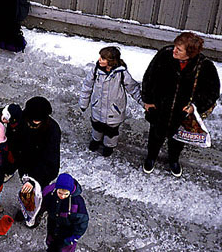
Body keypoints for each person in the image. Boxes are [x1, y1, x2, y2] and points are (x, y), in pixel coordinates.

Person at [141, 32, 220, 177]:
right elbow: (149, 77)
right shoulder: (164, 55)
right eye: (175, 46)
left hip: (182, 114)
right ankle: (151, 157)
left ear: (189, 54)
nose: (174, 50)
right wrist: (148, 100)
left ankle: (173, 160)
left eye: (179, 49)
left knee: (178, 139)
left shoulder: (204, 66)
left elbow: (212, 92)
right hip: (159, 109)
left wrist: (194, 107)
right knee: (155, 135)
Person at [78, 46, 144, 157]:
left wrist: (144, 103)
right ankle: (96, 140)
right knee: (96, 126)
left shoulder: (121, 74)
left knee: (111, 131)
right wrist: (84, 103)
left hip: (114, 111)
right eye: (100, 57)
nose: (99, 60)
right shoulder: (96, 70)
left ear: (111, 62)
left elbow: (133, 89)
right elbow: (87, 86)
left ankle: (109, 146)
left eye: (103, 58)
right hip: (97, 107)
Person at [9, 97, 61, 223]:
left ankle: (37, 211)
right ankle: (27, 208)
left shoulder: (52, 130)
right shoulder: (22, 120)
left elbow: (51, 161)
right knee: (26, 191)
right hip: (24, 165)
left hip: (41, 170)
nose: (34, 124)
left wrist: (34, 180)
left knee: (39, 193)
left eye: (37, 121)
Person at [39, 173, 89, 252]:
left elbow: (82, 221)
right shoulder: (50, 192)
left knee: (65, 248)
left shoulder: (77, 203)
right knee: (51, 241)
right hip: (54, 223)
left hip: (68, 229)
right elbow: (42, 202)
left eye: (65, 194)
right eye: (60, 193)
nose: (62, 196)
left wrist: (75, 236)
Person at [0, 103, 24, 178]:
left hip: (11, 145)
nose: (3, 119)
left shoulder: (20, 127)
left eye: (6, 119)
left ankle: (8, 172)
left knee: (11, 161)